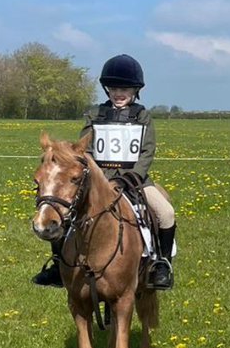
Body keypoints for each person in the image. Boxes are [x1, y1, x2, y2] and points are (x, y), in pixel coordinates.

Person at [32, 54, 177, 289]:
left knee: (166, 213)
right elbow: (83, 150)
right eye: (114, 88)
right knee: (64, 212)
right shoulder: (95, 115)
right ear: (107, 89)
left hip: (134, 180)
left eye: (125, 88)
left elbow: (146, 152)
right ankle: (58, 265)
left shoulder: (143, 116)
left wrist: (133, 176)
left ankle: (161, 265)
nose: (119, 93)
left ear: (135, 90)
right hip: (99, 180)